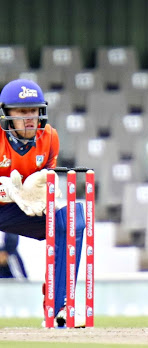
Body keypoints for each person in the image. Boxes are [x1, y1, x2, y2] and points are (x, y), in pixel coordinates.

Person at [0, 79, 85, 326]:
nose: (29, 118)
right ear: (7, 114)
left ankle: (61, 306)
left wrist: (42, 193)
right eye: (21, 111)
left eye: (34, 111)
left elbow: (43, 179)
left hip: (21, 210)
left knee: (71, 220)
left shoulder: (49, 138)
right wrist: (8, 191)